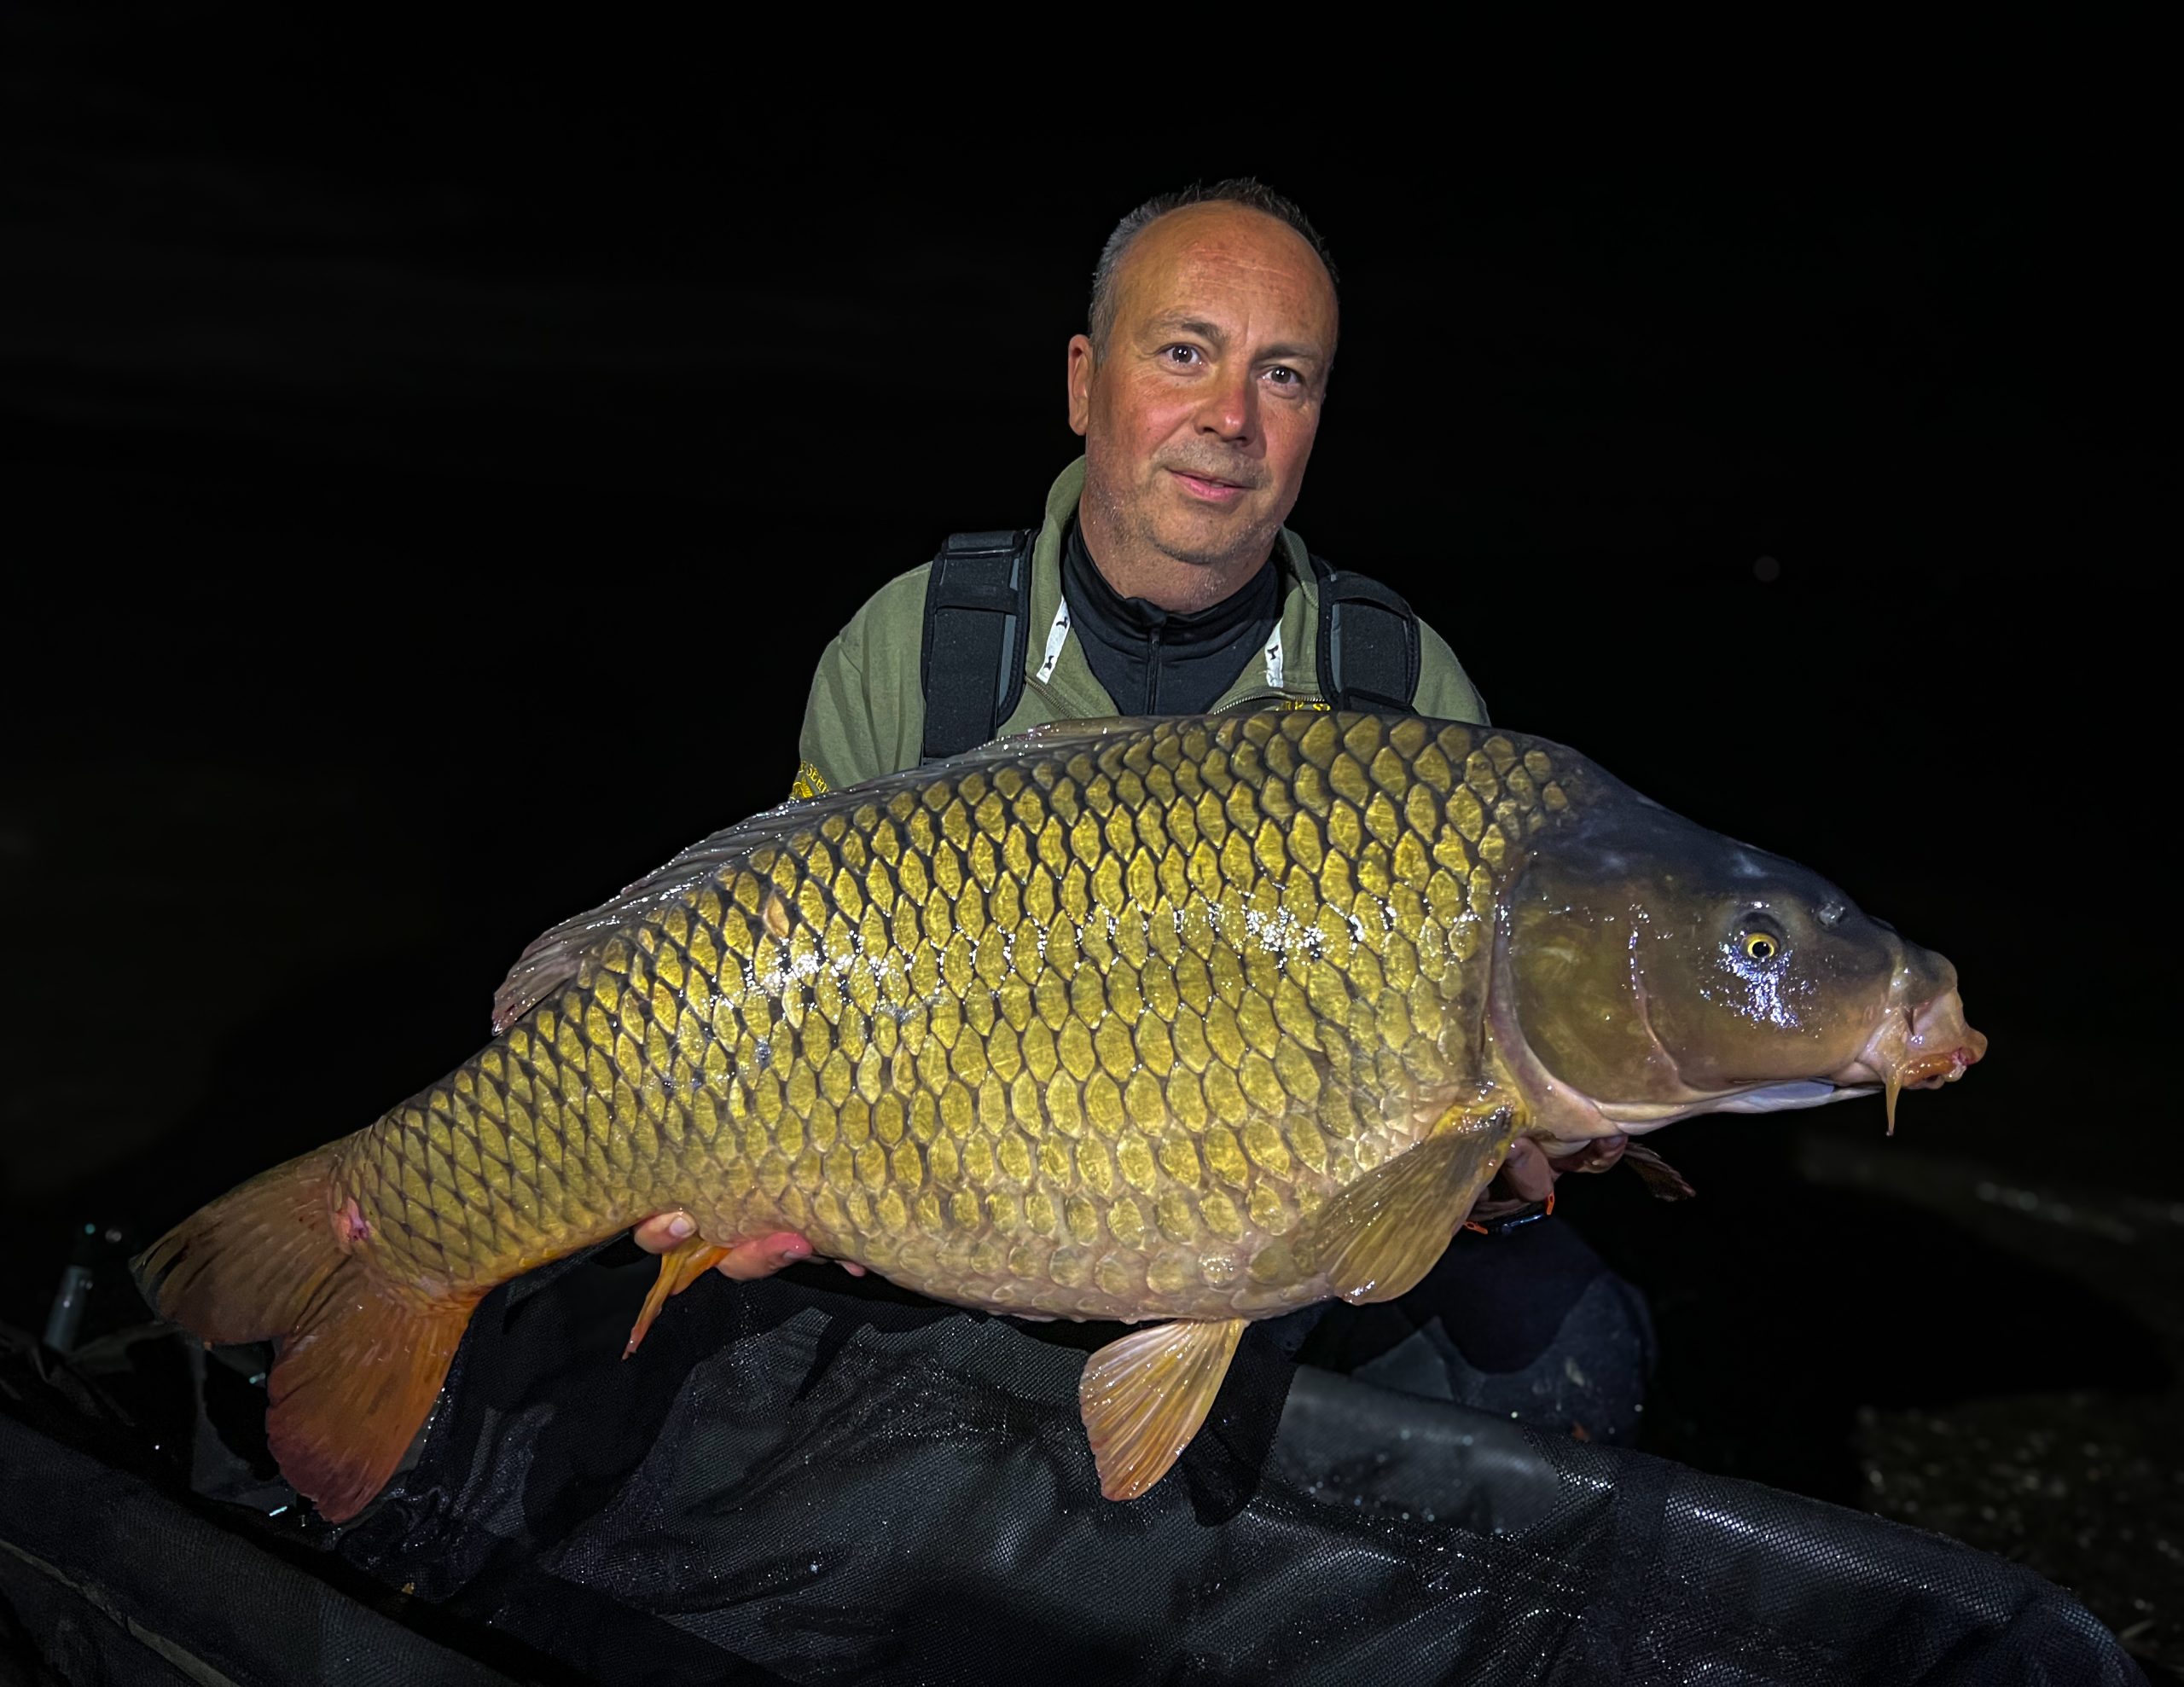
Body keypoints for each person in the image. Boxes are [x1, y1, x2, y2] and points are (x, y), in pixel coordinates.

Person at [629, 179, 1653, 1441]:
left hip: (1283, 1272)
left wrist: (1528, 1161)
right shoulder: (918, 650)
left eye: (1285, 377)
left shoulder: (1400, 692)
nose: (1230, 417)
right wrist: (749, 1165)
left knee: (1562, 1337)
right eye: (1186, 353)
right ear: (1082, 381)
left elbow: (1471, 1144)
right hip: (938, 1245)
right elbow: (767, 975)